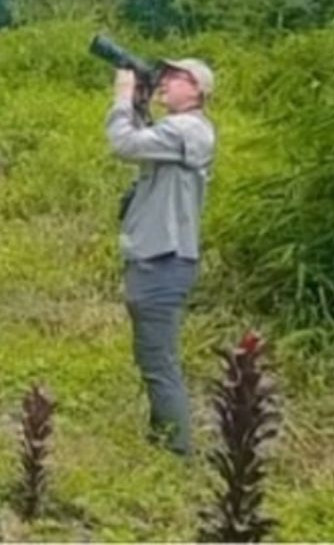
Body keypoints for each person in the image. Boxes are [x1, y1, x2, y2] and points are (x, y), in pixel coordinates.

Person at [107, 58, 216, 456]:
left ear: (198, 90)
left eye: (176, 77)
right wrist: (138, 103)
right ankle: (164, 442)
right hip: (156, 257)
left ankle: (176, 452)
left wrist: (121, 97)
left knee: (160, 363)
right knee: (153, 358)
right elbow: (144, 137)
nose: (165, 82)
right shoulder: (176, 132)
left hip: (165, 260)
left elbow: (124, 143)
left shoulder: (188, 129)